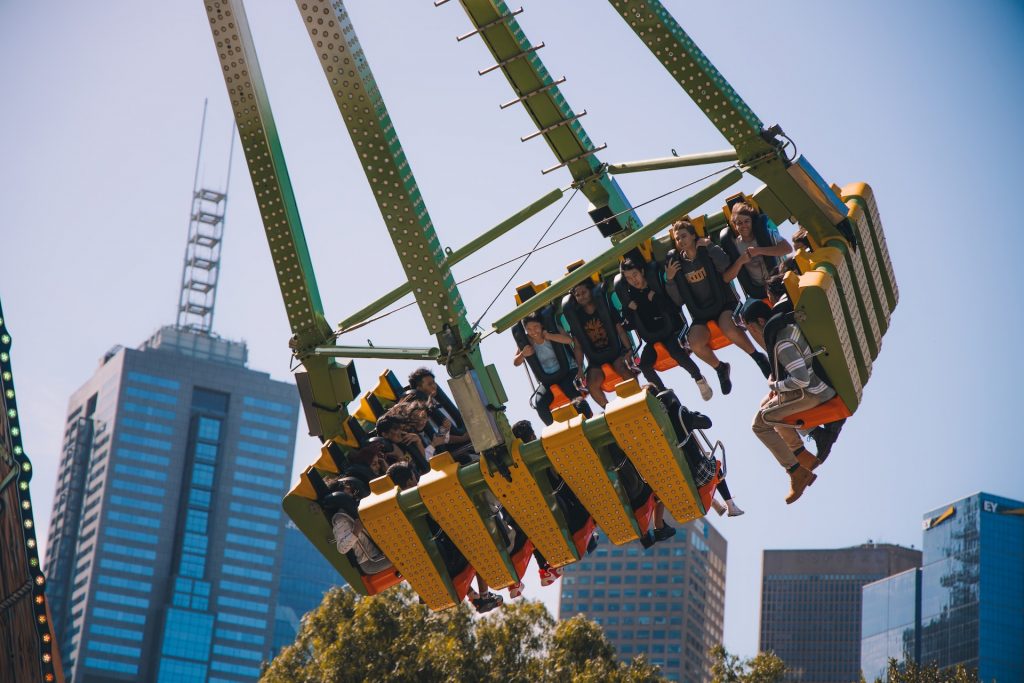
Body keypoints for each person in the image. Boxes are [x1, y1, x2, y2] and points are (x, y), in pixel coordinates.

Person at [738, 280, 832, 504]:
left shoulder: (782, 341)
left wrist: (775, 386)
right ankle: (802, 458)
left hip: (814, 391)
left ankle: (796, 469)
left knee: (761, 422)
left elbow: (800, 380)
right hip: (813, 386)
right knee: (766, 406)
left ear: (761, 322)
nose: (751, 335)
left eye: (751, 329)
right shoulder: (784, 328)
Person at [665, 220, 772, 395]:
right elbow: (677, 300)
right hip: (701, 312)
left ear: (693, 235)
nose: (681, 241)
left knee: (728, 327)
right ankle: (720, 368)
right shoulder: (678, 264)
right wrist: (670, 279)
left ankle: (758, 357)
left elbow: (725, 265)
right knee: (695, 343)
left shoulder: (706, 250)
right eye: (677, 239)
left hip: (724, 303)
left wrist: (710, 246)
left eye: (684, 236)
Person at [386, 462, 503, 613]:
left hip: (423, 575)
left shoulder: (391, 513)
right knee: (474, 535)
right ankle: (484, 597)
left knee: (451, 543)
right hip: (446, 562)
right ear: (410, 482)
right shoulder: (421, 499)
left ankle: (474, 596)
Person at [510, 420, 597, 586]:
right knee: (572, 491)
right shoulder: (542, 451)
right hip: (558, 510)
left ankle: (545, 566)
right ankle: (587, 537)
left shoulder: (515, 466)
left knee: (533, 529)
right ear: (532, 436)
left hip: (534, 517)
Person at [616, 257, 712, 401]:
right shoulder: (631, 296)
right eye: (629, 278)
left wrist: (655, 298)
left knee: (675, 351)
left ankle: (699, 378)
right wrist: (629, 312)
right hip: (652, 335)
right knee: (644, 365)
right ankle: (663, 394)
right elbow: (630, 325)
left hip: (670, 329)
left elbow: (674, 308)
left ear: (642, 271)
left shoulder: (655, 285)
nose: (633, 280)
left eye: (635, 275)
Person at [563, 281, 638, 408]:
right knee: (591, 384)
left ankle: (636, 397)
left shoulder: (604, 307)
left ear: (591, 292)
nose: (582, 296)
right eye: (578, 295)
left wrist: (629, 349)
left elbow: (620, 330)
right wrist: (580, 368)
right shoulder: (577, 317)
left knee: (621, 368)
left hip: (615, 351)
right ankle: (608, 408)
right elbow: (578, 346)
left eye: (584, 292)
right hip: (596, 358)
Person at [513, 311, 592, 425]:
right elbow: (516, 362)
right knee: (539, 403)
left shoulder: (552, 329)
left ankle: (587, 418)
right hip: (548, 378)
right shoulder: (527, 340)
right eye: (529, 329)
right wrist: (522, 354)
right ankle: (554, 427)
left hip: (567, 370)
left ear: (541, 325)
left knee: (569, 388)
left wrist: (550, 336)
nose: (533, 332)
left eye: (535, 327)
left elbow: (569, 340)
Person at [721, 202, 793, 301]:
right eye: (739, 223)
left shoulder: (767, 234)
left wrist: (759, 250)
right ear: (735, 225)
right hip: (758, 294)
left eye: (747, 221)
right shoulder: (735, 247)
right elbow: (726, 278)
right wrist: (740, 261)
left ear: (752, 221)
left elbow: (788, 248)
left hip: (780, 284)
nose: (744, 225)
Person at [322, 476, 392, 575]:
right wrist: (355, 531)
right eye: (346, 488)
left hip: (382, 552)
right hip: (370, 562)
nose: (350, 489)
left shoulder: (357, 507)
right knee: (400, 557)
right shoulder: (341, 518)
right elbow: (342, 548)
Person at [407, 367, 472, 451]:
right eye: (429, 384)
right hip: (454, 449)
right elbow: (438, 437)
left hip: (466, 439)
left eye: (434, 383)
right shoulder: (421, 410)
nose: (434, 386)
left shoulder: (438, 401)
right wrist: (463, 438)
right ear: (419, 388)